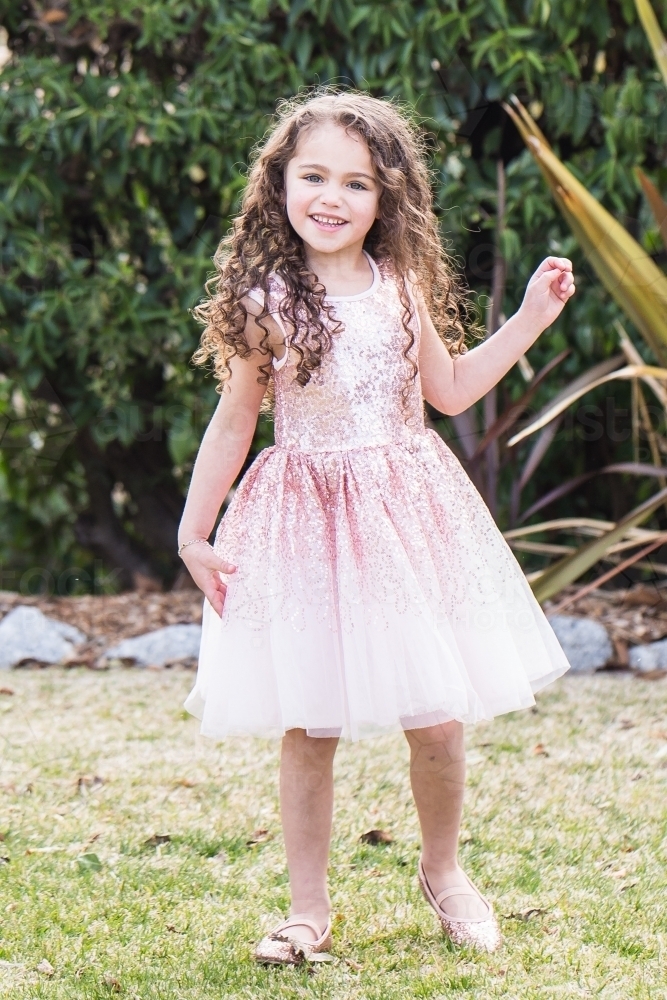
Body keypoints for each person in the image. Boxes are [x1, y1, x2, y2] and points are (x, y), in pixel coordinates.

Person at [178, 89, 574, 962]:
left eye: (356, 183)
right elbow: (235, 421)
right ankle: (307, 910)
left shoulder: (397, 288)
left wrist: (528, 322)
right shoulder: (263, 298)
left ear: (386, 199)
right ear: (278, 182)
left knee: (435, 715)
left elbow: (452, 391)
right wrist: (194, 532)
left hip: (405, 513)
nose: (331, 196)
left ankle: (444, 872)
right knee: (308, 721)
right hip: (303, 520)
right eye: (312, 174)